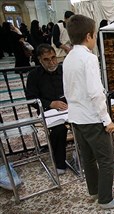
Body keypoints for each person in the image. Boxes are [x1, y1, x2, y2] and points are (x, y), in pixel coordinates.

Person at [63, 14, 114, 209]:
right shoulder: (88, 58)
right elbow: (96, 92)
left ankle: (95, 191)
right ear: (89, 36)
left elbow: (67, 90)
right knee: (107, 160)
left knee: (88, 158)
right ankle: (105, 199)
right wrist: (107, 119)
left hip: (76, 117)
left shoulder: (68, 58)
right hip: (91, 118)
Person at [25, 44, 68, 175]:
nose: (51, 62)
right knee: (59, 130)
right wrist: (50, 104)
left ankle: (84, 156)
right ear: (39, 59)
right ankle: (59, 162)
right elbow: (31, 99)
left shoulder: (64, 70)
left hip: (69, 108)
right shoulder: (34, 76)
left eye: (53, 57)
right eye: (47, 59)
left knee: (85, 123)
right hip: (48, 112)